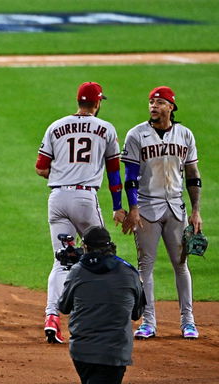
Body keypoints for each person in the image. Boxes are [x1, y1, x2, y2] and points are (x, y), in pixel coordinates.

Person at [35, 82, 126, 343]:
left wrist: (63, 173)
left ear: (78, 101)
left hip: (58, 200)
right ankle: (99, 318)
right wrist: (118, 206)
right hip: (85, 199)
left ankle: (52, 317)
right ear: (97, 103)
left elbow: (41, 168)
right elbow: (113, 172)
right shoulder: (105, 128)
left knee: (61, 261)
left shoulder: (56, 126)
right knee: (102, 257)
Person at [121, 86, 202, 340]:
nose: (153, 106)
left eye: (159, 102)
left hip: (176, 207)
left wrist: (196, 211)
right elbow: (130, 177)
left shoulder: (185, 135)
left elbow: (193, 176)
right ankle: (148, 322)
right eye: (151, 103)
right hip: (146, 208)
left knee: (181, 265)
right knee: (145, 266)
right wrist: (133, 208)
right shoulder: (136, 135)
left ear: (171, 107)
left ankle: (188, 322)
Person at [58, 226, 145, 384]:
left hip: (82, 352)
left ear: (86, 247)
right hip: (115, 353)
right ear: (110, 246)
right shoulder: (130, 272)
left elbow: (63, 307)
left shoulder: (77, 271)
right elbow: (137, 313)